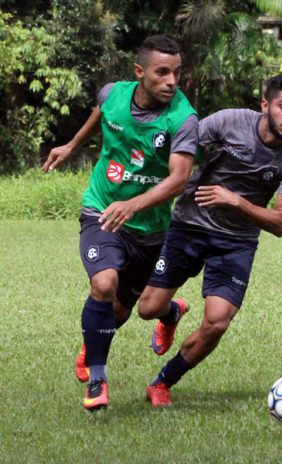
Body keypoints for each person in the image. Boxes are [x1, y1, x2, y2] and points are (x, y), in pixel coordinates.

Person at [42, 35, 198, 410]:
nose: (171, 81)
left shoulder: (184, 118)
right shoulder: (114, 93)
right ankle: (98, 379)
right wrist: (72, 145)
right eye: (162, 72)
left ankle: (170, 311)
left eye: (176, 73)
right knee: (104, 283)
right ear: (139, 72)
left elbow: (178, 179)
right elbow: (102, 114)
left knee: (125, 310)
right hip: (102, 208)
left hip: (151, 228)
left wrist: (134, 204)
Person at [137, 72, 282, 407]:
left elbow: (280, 223)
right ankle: (171, 313)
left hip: (236, 241)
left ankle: (162, 382)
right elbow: (181, 152)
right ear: (265, 105)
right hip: (189, 224)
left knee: (217, 323)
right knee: (148, 309)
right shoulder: (228, 122)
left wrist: (237, 201)